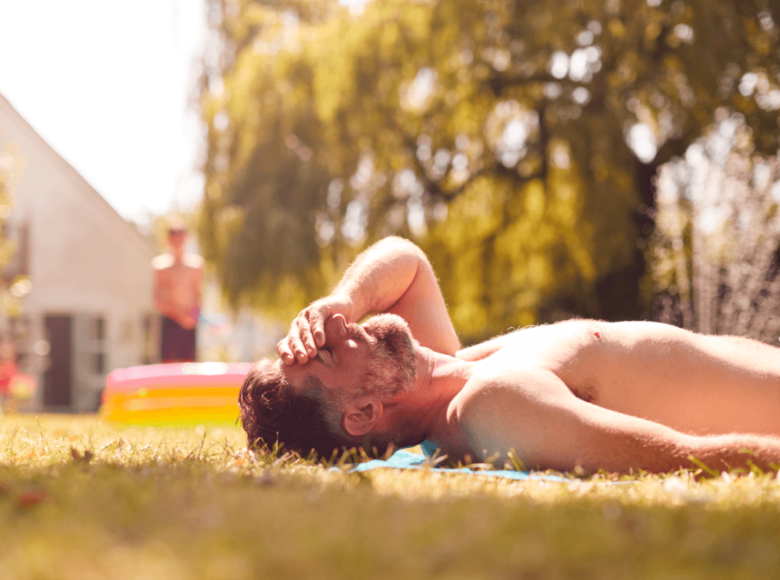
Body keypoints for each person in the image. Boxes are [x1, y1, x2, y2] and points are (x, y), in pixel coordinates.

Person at [239, 236, 780, 474]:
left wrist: (344, 296)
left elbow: (406, 260)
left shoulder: (447, 366)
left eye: (324, 329)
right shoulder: (489, 404)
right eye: (329, 354)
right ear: (361, 414)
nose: (340, 327)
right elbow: (680, 457)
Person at [152, 221, 203, 363]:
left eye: (181, 235)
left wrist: (193, 317)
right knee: (168, 367)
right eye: (174, 235)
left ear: (186, 238)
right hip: (170, 322)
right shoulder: (161, 267)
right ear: (168, 239)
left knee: (189, 369)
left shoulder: (196, 266)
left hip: (189, 323)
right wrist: (180, 316)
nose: (177, 240)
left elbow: (198, 297)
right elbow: (157, 301)